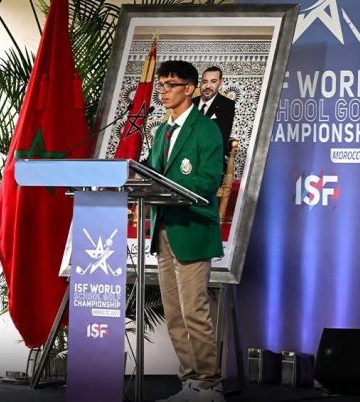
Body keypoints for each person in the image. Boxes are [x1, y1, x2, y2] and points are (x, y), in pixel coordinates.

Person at [147, 60, 224, 402]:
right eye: (161, 85)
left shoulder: (206, 130)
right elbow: (151, 174)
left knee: (194, 310)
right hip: (164, 228)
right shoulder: (160, 132)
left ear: (189, 89)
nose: (163, 91)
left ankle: (210, 383)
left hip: (192, 228)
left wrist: (168, 185)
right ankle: (190, 381)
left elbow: (208, 180)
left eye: (170, 85)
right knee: (174, 312)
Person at [192, 66, 236, 173]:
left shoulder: (227, 105)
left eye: (213, 81)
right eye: (204, 82)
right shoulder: (190, 103)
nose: (208, 86)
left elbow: (221, 138)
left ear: (220, 83)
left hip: (210, 161)